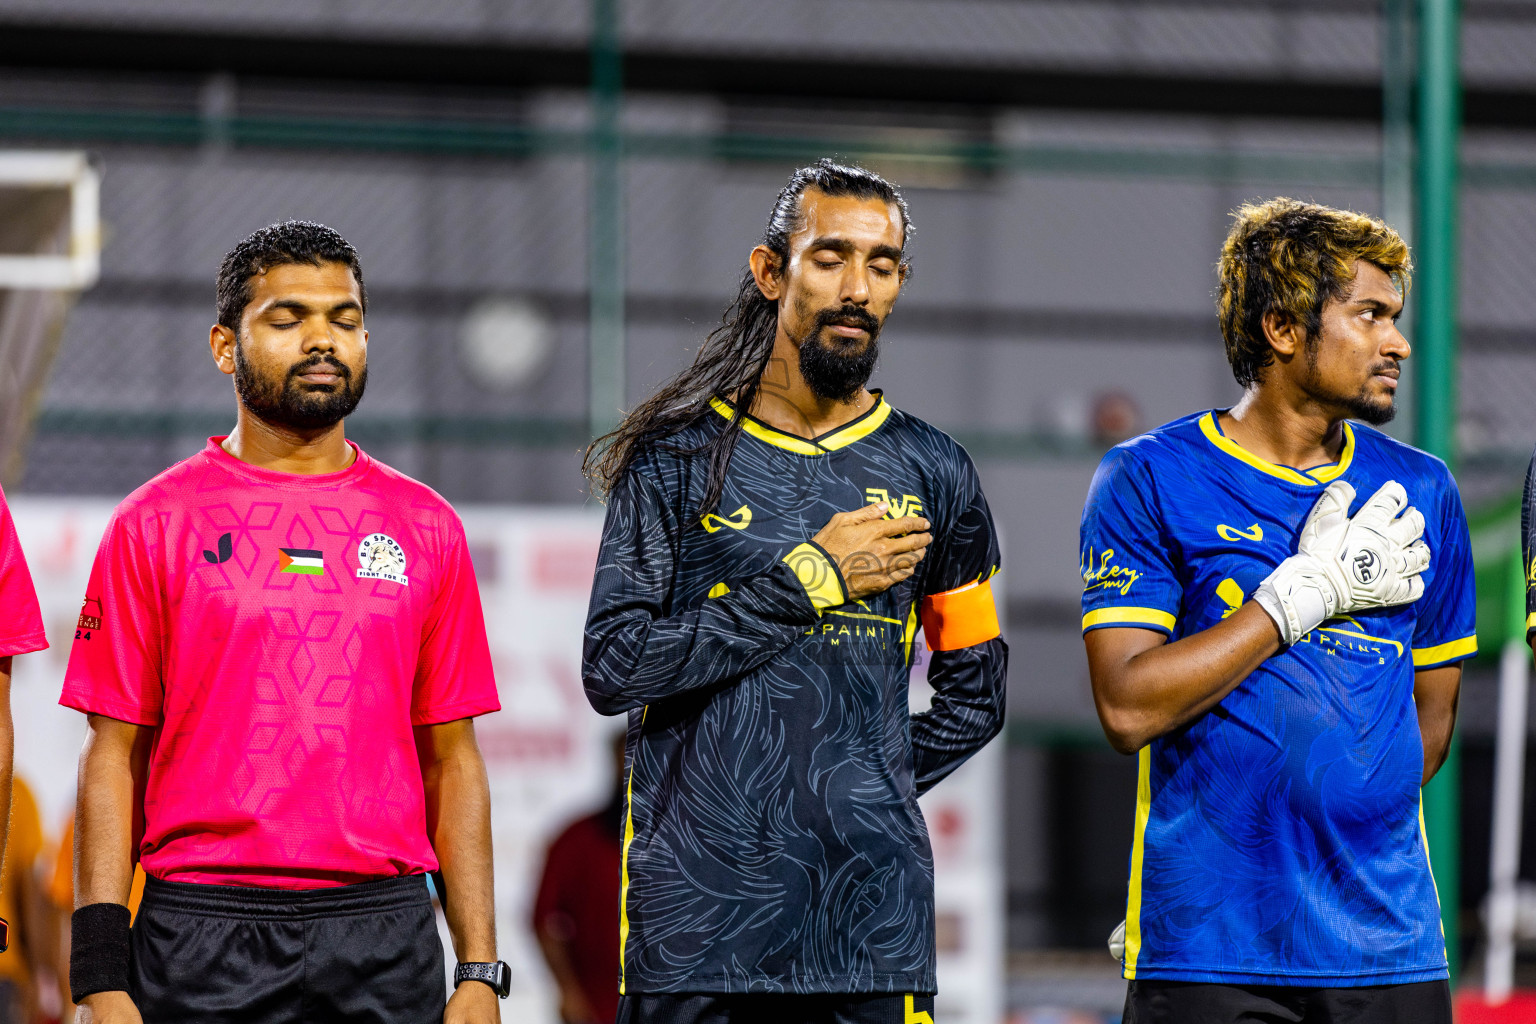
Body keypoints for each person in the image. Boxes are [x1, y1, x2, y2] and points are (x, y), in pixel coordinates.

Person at [582, 159, 1008, 1024]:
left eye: (882, 266)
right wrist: (807, 581)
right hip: (694, 936)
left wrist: (860, 785)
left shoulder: (936, 470)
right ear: (771, 271)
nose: (858, 288)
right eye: (830, 258)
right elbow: (613, 666)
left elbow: (979, 694)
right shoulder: (675, 460)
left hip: (869, 934)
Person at [60, 221, 505, 1024]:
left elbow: (455, 762)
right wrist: (98, 972)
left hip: (386, 932)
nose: (323, 339)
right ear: (225, 346)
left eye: (344, 318)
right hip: (199, 930)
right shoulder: (151, 523)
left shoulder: (427, 526)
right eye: (288, 317)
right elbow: (110, 757)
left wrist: (479, 968)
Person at [1080, 198, 1476, 1024]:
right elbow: (1126, 705)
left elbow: (1427, 726)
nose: (1397, 342)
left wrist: (1329, 840)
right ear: (1284, 329)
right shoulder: (1151, 477)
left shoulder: (1426, 491)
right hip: (1211, 951)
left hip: (1389, 949)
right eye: (1368, 315)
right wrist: (1300, 598)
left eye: (1395, 319)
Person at [531, 735, 624, 1024]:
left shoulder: (686, 844)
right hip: (596, 1009)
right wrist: (569, 991)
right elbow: (545, 921)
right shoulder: (578, 838)